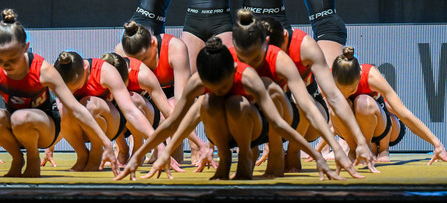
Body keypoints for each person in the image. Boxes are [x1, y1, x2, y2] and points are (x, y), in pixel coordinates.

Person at [115, 38, 340, 182]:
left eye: (222, 86)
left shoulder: (248, 77)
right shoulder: (198, 83)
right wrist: (150, 154)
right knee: (206, 104)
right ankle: (224, 159)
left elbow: (280, 123)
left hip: (256, 126)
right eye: (213, 87)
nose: (219, 90)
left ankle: (247, 156)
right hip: (221, 128)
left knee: (246, 101)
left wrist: (317, 155)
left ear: (232, 73)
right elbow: (173, 123)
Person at [0, 10, 117, 178]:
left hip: (47, 128)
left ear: (25, 48)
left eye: (12, 59)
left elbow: (76, 108)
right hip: (18, 127)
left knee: (20, 116)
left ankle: (33, 158)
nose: (6, 65)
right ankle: (18, 159)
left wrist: (106, 143)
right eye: (0, 59)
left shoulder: (43, 70)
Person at [230, 9, 363, 178]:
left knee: (280, 94)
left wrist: (355, 143)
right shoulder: (237, 55)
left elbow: (324, 100)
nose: (257, 61)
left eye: (257, 58)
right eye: (251, 58)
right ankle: (248, 156)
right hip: (271, 115)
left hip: (305, 117)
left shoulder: (295, 51)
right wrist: (212, 147)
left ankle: (290, 153)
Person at [258, 16, 378, 173]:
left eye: (279, 51)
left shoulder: (305, 46)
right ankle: (271, 149)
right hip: (273, 114)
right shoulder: (254, 49)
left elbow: (334, 97)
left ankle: (293, 152)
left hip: (310, 118)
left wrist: (360, 141)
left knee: (299, 97)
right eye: (269, 53)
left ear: (285, 37)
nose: (276, 57)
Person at [331, 47, 447, 166]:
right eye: (342, 91)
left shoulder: (371, 76)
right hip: (350, 130)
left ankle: (369, 148)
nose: (347, 94)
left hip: (381, 127)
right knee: (338, 104)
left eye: (352, 90)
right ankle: (353, 150)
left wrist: (437, 144)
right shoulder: (327, 79)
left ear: (359, 78)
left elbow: (404, 113)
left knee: (363, 102)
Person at [118, 21, 213, 168]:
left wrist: (197, 145)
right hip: (148, 100)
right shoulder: (121, 52)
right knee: (131, 102)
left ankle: (182, 147)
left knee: (172, 110)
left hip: (171, 97)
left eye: (143, 59)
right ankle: (137, 149)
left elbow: (183, 100)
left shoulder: (175, 47)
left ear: (153, 43)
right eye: (135, 62)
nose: (140, 66)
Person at [53, 51, 156, 171]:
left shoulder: (105, 71)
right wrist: (50, 149)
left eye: (75, 87)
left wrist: (157, 143)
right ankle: (82, 155)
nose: (72, 91)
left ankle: (97, 152)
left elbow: (130, 110)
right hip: (82, 126)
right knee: (60, 106)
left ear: (86, 69)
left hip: (111, 124)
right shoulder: (55, 75)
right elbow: (61, 119)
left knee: (89, 103)